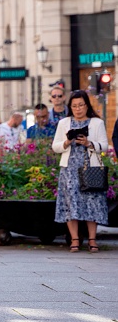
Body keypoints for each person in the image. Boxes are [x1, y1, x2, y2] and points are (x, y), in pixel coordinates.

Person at [53, 90, 108, 253]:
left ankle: (92, 239)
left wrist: (88, 143)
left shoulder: (96, 123)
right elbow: (55, 146)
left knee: (92, 202)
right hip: (69, 170)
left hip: (90, 169)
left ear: (87, 105)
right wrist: (67, 141)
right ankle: (74, 239)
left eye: (81, 105)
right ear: (70, 107)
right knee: (71, 203)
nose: (78, 109)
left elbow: (104, 146)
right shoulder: (64, 123)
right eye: (74, 106)